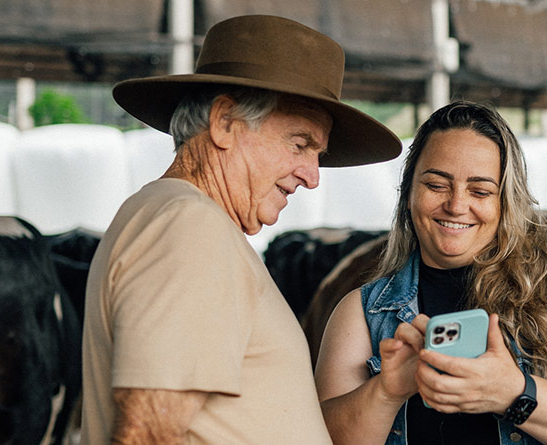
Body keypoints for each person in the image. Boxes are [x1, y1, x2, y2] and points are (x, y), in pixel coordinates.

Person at [80, 15, 401, 444]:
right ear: (225, 122)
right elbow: (147, 433)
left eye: (318, 154)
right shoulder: (190, 226)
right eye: (300, 143)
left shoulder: (170, 215)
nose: (312, 176)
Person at [314, 102, 547, 445]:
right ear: (408, 193)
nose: (455, 205)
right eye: (436, 185)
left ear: (505, 203)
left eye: (480, 191)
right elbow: (322, 439)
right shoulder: (363, 312)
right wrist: (387, 391)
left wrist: (514, 393)